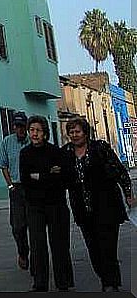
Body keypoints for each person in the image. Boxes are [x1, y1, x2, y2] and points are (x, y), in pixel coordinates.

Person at [61, 117, 135, 292]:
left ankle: (111, 284)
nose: (74, 135)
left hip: (106, 207)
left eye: (77, 131)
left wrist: (128, 195)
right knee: (94, 251)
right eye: (71, 132)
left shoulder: (100, 148)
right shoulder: (66, 153)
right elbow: (62, 178)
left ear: (85, 133)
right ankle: (106, 279)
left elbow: (120, 171)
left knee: (108, 249)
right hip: (83, 211)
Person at [20, 115, 74, 292]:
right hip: (35, 206)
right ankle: (40, 283)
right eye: (32, 130)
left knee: (59, 244)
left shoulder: (56, 152)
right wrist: (48, 174)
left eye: (38, 130)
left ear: (45, 133)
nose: (34, 134)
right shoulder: (25, 154)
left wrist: (39, 176)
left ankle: (63, 282)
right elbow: (25, 180)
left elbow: (62, 179)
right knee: (37, 244)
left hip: (55, 204)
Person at [0, 111, 31, 271]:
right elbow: (3, 165)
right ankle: (23, 252)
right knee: (18, 226)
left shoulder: (32, 140)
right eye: (17, 126)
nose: (20, 129)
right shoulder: (7, 142)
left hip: (32, 188)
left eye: (23, 126)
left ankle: (38, 259)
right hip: (16, 188)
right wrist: (10, 185)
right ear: (13, 127)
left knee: (35, 224)